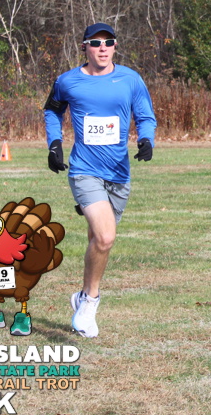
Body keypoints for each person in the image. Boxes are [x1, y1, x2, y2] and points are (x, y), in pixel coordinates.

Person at [43, 22, 157, 337]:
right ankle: (91, 300)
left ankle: (81, 296)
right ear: (85, 47)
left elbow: (145, 115)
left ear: (115, 46)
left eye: (108, 42)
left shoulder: (130, 79)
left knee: (97, 239)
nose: (102, 48)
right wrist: (55, 143)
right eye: (95, 43)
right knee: (106, 238)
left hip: (119, 173)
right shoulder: (68, 81)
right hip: (84, 170)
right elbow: (52, 111)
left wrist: (146, 139)